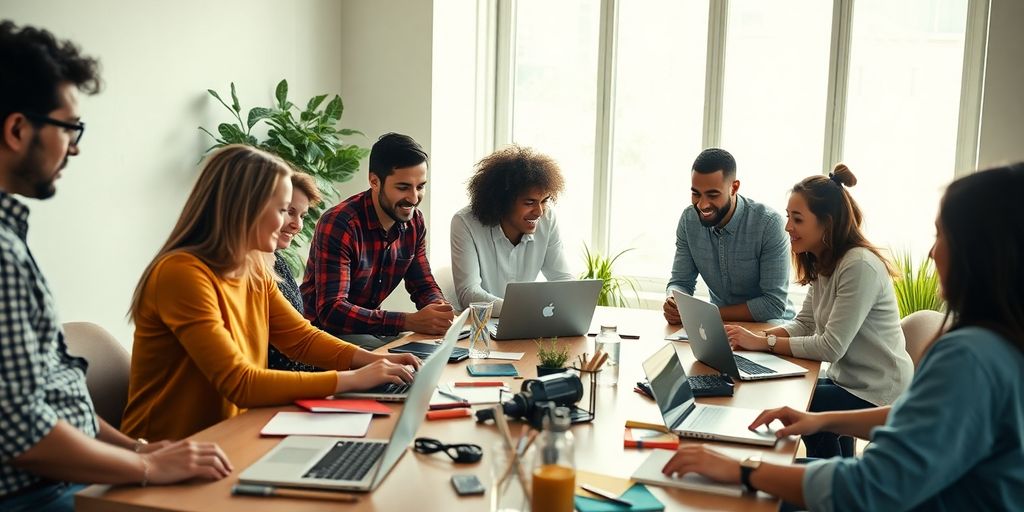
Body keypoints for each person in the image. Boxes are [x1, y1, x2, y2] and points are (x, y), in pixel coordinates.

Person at [662, 163, 1024, 510]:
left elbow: (868, 488)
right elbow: (909, 420)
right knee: (801, 420)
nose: (932, 252)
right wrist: (819, 416)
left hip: (870, 389)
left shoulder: (968, 357)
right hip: (853, 388)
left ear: (982, 252)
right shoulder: (999, 348)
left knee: (738, 489)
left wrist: (740, 470)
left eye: (941, 235)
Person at [0, 21, 230, 511]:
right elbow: (23, 432)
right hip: (37, 494)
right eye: (70, 129)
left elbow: (58, 397)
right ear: (18, 130)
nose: (76, 147)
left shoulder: (12, 238)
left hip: (66, 477)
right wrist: (147, 467)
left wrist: (140, 450)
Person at [121, 145, 421, 441]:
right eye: (281, 210)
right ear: (244, 208)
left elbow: (301, 339)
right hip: (167, 451)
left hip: (231, 435)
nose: (287, 223)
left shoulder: (255, 267)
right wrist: (353, 378)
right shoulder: (182, 273)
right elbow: (240, 382)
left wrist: (371, 361)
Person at [724, 164, 914, 458]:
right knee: (795, 387)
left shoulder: (858, 265)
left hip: (878, 393)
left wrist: (765, 343)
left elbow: (831, 347)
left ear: (826, 223)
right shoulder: (824, 260)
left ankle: (830, 482)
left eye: (797, 219)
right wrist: (752, 341)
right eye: (789, 217)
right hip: (850, 381)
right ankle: (838, 470)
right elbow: (805, 323)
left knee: (803, 407)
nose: (788, 227)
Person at [302, 132, 454, 336]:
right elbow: (331, 312)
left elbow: (423, 285)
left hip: (370, 334)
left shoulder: (414, 222)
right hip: (323, 338)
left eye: (420, 187)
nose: (414, 198)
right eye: (403, 187)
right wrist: (407, 321)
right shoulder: (340, 224)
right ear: (374, 181)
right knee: (409, 362)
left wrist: (438, 309)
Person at [663, 148, 793, 325]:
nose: (702, 204)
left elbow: (773, 305)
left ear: (734, 187)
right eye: (696, 194)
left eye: (712, 194)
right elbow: (681, 282)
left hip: (770, 327)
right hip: (717, 325)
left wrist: (706, 314)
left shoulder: (769, 224)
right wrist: (673, 300)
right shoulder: (689, 221)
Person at [450, 145, 574, 315]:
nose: (539, 211)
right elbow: (469, 294)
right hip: (482, 327)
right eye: (529, 203)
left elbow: (562, 279)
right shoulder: (465, 223)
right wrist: (525, 311)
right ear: (502, 202)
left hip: (525, 323)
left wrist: (572, 305)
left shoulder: (547, 219)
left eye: (544, 201)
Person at [265, 172, 323, 372]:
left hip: (303, 375)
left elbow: (301, 336)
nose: (297, 225)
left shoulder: (277, 261)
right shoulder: (249, 270)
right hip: (284, 385)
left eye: (302, 216)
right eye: (288, 211)